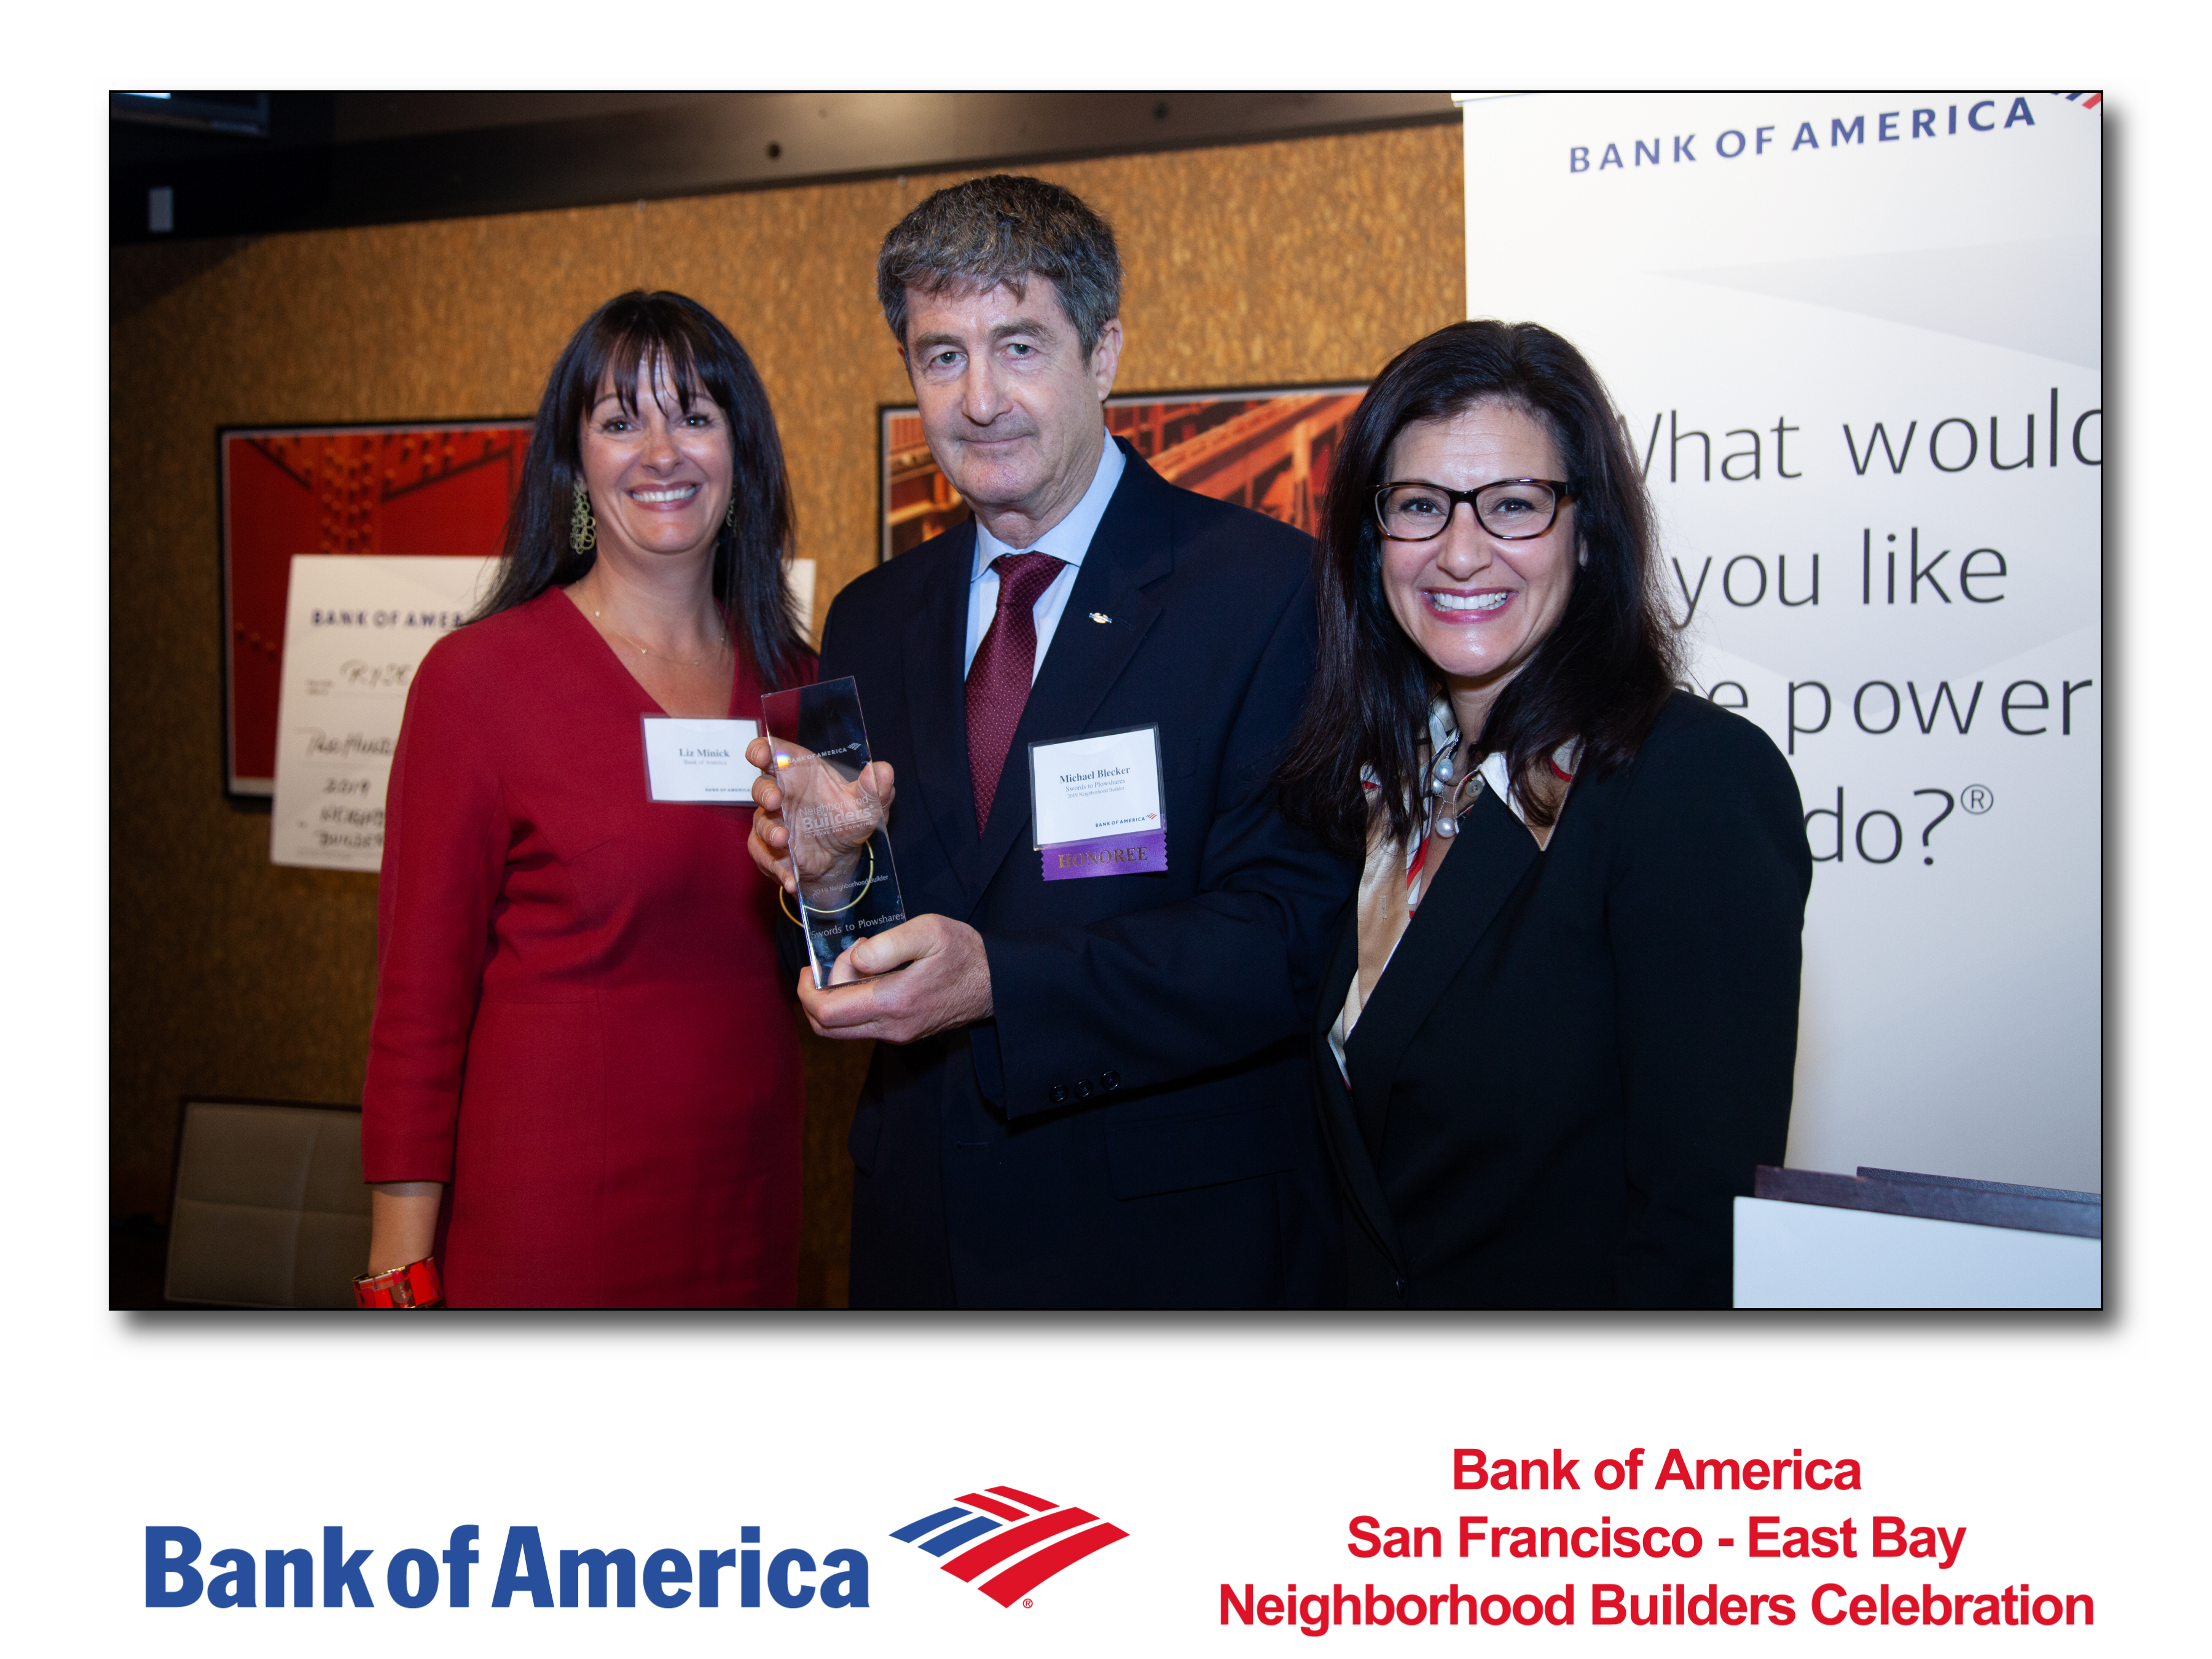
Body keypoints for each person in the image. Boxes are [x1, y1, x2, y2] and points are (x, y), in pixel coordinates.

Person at [745, 175, 1356, 1308]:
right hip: (922, 1234)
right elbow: (881, 926)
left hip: (1166, 1249)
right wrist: (828, 882)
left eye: (1019, 345)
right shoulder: (874, 616)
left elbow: (1285, 943)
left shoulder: (1269, 591)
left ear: (1105, 352)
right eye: (941, 356)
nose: (980, 398)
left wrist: (1001, 986)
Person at [1274, 320, 1812, 1309]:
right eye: (1421, 506)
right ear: (1372, 537)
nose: (1462, 553)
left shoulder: (1691, 781)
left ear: (1589, 531)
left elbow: (1699, 1227)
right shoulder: (1387, 789)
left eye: (1514, 506)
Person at [359, 291, 812, 1308]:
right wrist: (398, 1278)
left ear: (742, 454)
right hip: (551, 1228)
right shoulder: (480, 683)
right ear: (575, 465)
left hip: (749, 1217)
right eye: (621, 421)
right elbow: (417, 1011)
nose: (663, 451)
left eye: (696, 416)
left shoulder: (799, 688)